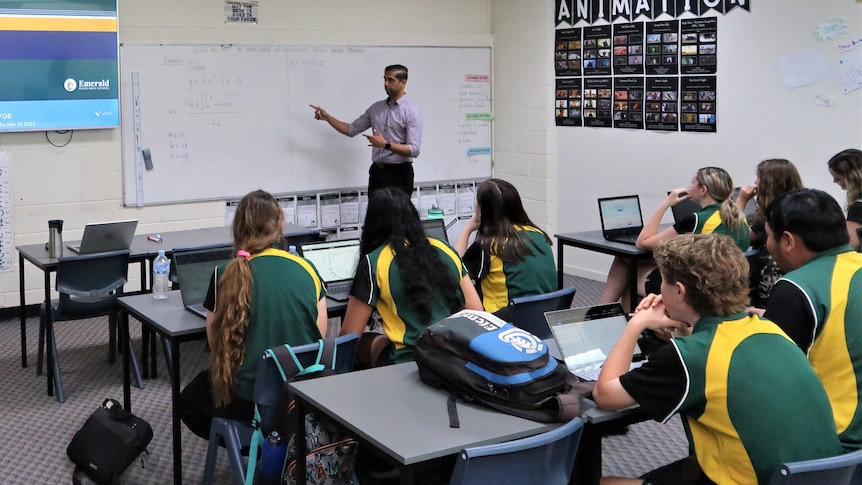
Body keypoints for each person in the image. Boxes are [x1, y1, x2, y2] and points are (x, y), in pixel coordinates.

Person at [594, 234, 842, 485]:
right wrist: (682, 325)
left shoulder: (690, 357)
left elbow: (605, 394)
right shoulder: (769, 328)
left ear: (679, 291)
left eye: (663, 282)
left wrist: (635, 324)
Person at [180, 189, 329, 440]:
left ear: (236, 228)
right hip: (302, 395)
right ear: (280, 225)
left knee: (189, 400)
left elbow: (217, 345)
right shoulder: (308, 268)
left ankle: (248, 443)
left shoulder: (223, 273)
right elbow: (320, 336)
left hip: (250, 398)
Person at [758, 188, 862, 451]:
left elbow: (768, 379)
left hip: (838, 445)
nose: (767, 245)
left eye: (768, 236)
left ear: (789, 241)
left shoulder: (796, 288)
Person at [339, 187, 482, 364]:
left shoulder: (374, 261)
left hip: (407, 359)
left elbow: (350, 335)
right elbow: (477, 311)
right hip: (454, 354)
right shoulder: (446, 249)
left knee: (364, 342)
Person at [598, 166, 750, 311]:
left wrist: (666, 204)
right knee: (631, 263)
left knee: (627, 266)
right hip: (727, 286)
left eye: (692, 183)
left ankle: (602, 314)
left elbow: (642, 242)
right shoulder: (740, 219)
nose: (689, 187)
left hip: (695, 288)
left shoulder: (696, 220)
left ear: (703, 190)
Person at [310, 64, 422, 199]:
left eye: (390, 80)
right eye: (384, 79)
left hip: (400, 174)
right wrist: (328, 118)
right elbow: (351, 130)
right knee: (375, 218)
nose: (386, 84)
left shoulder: (411, 111)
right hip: (378, 173)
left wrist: (386, 145)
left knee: (396, 219)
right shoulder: (376, 109)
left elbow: (414, 150)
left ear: (403, 83)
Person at [454, 178, 556, 314]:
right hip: (543, 320)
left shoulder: (486, 246)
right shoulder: (540, 235)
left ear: (482, 211)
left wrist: (467, 229)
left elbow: (455, 271)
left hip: (503, 325)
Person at [735, 158, 804, 307]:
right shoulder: (799, 205)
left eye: (759, 178)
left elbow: (739, 237)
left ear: (770, 183)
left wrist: (741, 201)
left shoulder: (775, 213)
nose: (755, 182)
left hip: (768, 287)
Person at [826, 148, 862, 249]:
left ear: (852, 176)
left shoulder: (858, 207)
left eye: (837, 178)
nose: (834, 181)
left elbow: (849, 245)